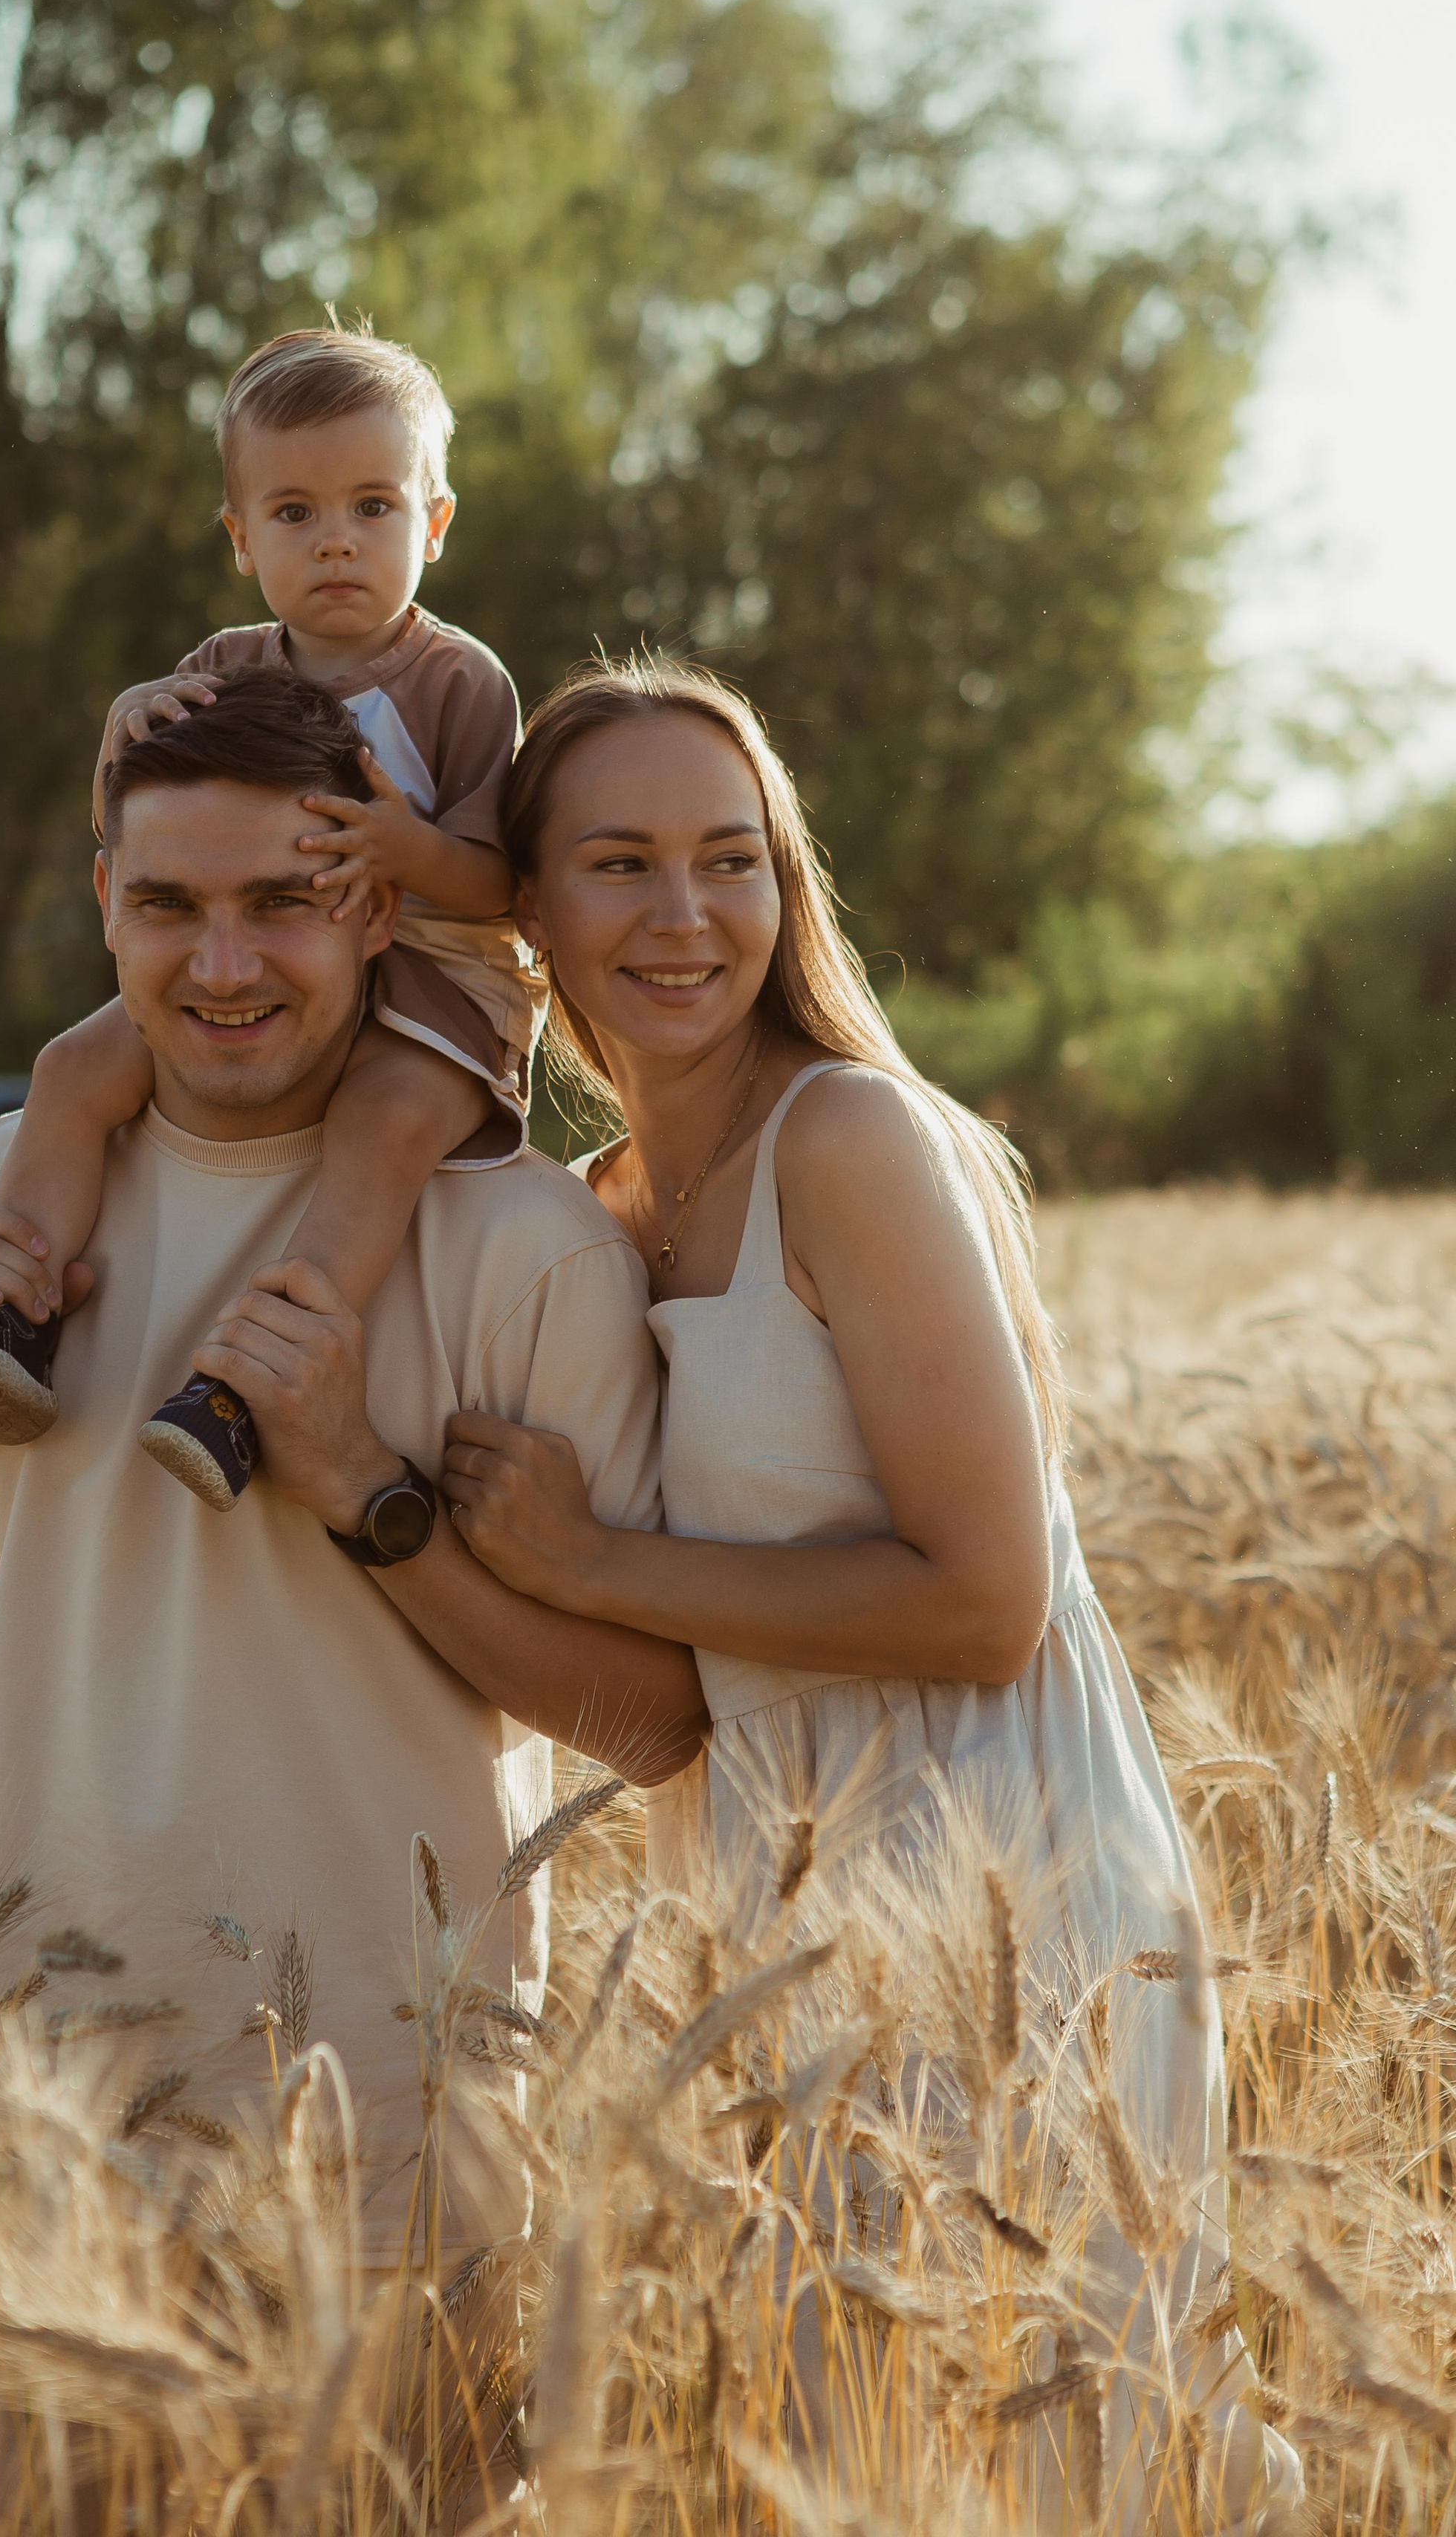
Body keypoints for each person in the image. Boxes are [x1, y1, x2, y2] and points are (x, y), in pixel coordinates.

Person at [437, 656, 1299, 2527]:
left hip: (1005, 1871)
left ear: (784, 884)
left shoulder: (846, 1140)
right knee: (846, 2448)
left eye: (729, 860)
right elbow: (664, 1677)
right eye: (619, 865)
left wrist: (591, 1557)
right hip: (770, 1893)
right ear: (527, 908)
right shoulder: (594, 1205)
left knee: (1051, 2436)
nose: (684, 915)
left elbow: (984, 1603)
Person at [0, 663, 706, 2258]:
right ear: (106, 903)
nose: (226, 962)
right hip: (42, 2097)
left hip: (389, 2122)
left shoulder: (520, 1244)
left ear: (378, 912)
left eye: (284, 903)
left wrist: (362, 1490)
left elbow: (651, 1721)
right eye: (171, 905)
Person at [0, 323, 543, 1513]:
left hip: (438, 974)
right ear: (239, 539)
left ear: (435, 523)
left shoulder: (459, 682)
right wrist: (129, 712)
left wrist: (403, 850)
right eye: (293, 513)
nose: (337, 539)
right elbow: (134, 827)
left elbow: (503, 886)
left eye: (374, 507)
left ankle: (253, 1383)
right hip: (273, 960)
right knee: (75, 1067)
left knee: (380, 1134)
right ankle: (5, 1305)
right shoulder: (224, 662)